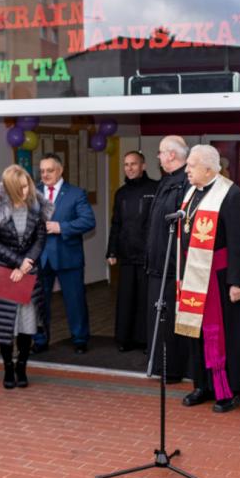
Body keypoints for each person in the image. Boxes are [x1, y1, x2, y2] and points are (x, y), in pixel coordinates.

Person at [175, 144, 240, 412]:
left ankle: (229, 389)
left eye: (191, 166)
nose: (187, 170)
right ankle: (203, 385)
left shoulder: (231, 195)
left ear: (209, 169)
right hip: (194, 274)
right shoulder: (192, 192)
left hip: (221, 279)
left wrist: (237, 282)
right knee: (198, 332)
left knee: (225, 334)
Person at [0, 165, 47, 389]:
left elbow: (40, 239)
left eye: (26, 186)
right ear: (9, 188)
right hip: (3, 272)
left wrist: (27, 263)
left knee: (27, 324)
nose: (25, 192)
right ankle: (8, 367)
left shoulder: (36, 206)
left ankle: (22, 366)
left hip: (27, 273)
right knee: (4, 324)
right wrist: (17, 262)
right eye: (19, 188)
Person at [33, 153, 96, 354]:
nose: (45, 175)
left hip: (68, 256)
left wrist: (61, 227)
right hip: (40, 258)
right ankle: (40, 340)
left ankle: (80, 339)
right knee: (39, 303)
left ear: (60, 170)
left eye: (49, 170)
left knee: (75, 301)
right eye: (42, 171)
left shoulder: (76, 194)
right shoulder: (33, 192)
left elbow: (88, 221)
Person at [144, 136, 191, 382]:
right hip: (158, 264)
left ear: (172, 155)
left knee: (171, 320)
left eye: (161, 152)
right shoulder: (166, 181)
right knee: (157, 318)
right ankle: (160, 365)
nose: (159, 157)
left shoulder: (185, 183)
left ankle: (172, 368)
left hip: (173, 267)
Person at [106, 151, 159, 352]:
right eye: (126, 164)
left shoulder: (155, 188)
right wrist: (111, 251)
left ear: (143, 166)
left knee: (145, 299)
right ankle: (124, 339)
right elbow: (116, 224)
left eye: (133, 164)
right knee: (126, 299)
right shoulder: (121, 193)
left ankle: (146, 341)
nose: (129, 168)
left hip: (147, 255)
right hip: (126, 254)